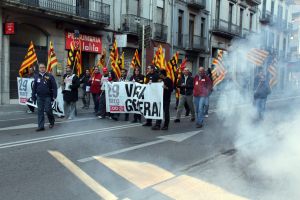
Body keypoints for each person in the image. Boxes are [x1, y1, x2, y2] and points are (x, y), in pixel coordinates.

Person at [32, 63, 57, 131]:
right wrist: (33, 96)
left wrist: (55, 95)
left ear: (45, 68)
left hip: (47, 96)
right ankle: (41, 126)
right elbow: (34, 87)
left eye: (43, 67)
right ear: (39, 69)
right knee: (40, 111)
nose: (42, 68)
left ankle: (52, 121)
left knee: (48, 110)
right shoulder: (36, 76)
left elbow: (54, 86)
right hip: (39, 97)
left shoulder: (50, 76)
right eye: (40, 67)